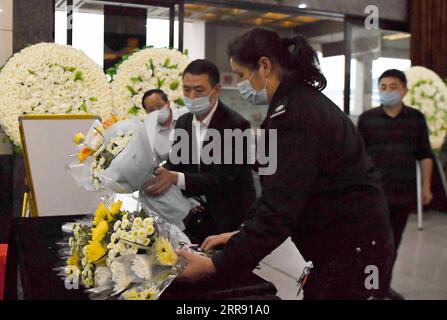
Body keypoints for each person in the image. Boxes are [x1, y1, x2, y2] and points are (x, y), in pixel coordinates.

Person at [175, 28, 395, 300]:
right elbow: (279, 195)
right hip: (341, 242)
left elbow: (279, 210)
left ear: (264, 66)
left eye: (243, 75)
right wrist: (241, 234)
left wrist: (214, 265)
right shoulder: (294, 104)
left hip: (351, 250)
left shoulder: (295, 116)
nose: (243, 84)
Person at [144, 59, 256, 244]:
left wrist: (174, 177)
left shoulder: (235, 125)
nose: (192, 96)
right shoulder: (183, 123)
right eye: (186, 89)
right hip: (193, 219)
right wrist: (153, 171)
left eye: (199, 90)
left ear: (216, 90)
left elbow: (222, 178)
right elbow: (175, 163)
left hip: (229, 221)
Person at [358, 69, 434, 300]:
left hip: (403, 194)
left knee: (393, 245)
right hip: (373, 196)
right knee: (372, 245)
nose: (387, 91)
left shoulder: (416, 118)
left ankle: (382, 289)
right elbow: (356, 157)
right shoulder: (367, 119)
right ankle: (368, 288)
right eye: (383, 87)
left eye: (393, 87)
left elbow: (425, 154)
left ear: (404, 90)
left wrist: (426, 186)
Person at [142, 89, 188, 166]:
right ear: (147, 113)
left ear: (168, 103)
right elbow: (154, 165)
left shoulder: (188, 114)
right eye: (151, 110)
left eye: (159, 106)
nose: (157, 111)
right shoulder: (150, 134)